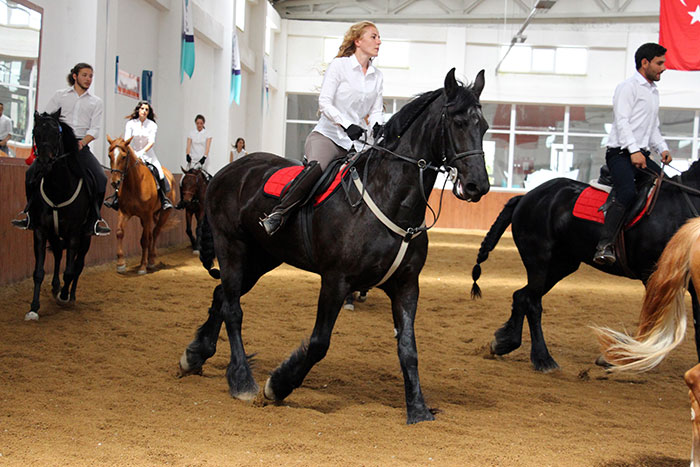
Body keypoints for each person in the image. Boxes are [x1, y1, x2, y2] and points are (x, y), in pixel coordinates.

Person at [260, 21, 383, 235]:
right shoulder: (340, 66)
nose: (379, 41)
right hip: (328, 137)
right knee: (317, 170)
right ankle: (279, 215)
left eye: (379, 37)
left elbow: (377, 110)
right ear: (358, 41)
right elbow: (324, 103)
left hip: (358, 143)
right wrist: (347, 125)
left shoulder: (377, 75)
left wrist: (377, 125)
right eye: (373, 36)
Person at [593, 42, 672, 265]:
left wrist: (662, 148)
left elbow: (652, 128)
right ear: (644, 63)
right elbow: (622, 121)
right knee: (627, 192)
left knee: (665, 185)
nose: (663, 68)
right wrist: (634, 151)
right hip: (620, 154)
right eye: (660, 63)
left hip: (641, 154)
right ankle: (604, 245)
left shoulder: (653, 92)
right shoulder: (628, 87)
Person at [12, 63, 111, 235]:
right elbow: (45, 118)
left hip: (80, 146)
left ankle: (94, 220)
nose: (88, 79)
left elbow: (95, 129)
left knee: (100, 178)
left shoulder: (96, 102)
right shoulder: (60, 96)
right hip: (58, 146)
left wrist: (81, 143)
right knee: (31, 174)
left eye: (90, 76)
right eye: (85, 75)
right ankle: (30, 215)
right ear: (75, 76)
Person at [106, 101, 173, 211]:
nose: (144, 111)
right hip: (133, 154)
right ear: (138, 110)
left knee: (160, 174)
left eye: (147, 109)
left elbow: (151, 142)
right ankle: (116, 198)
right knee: (123, 171)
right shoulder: (131, 124)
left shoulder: (152, 125)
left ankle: (163, 199)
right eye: (142, 109)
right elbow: (127, 141)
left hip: (149, 155)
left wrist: (142, 152)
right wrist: (134, 154)